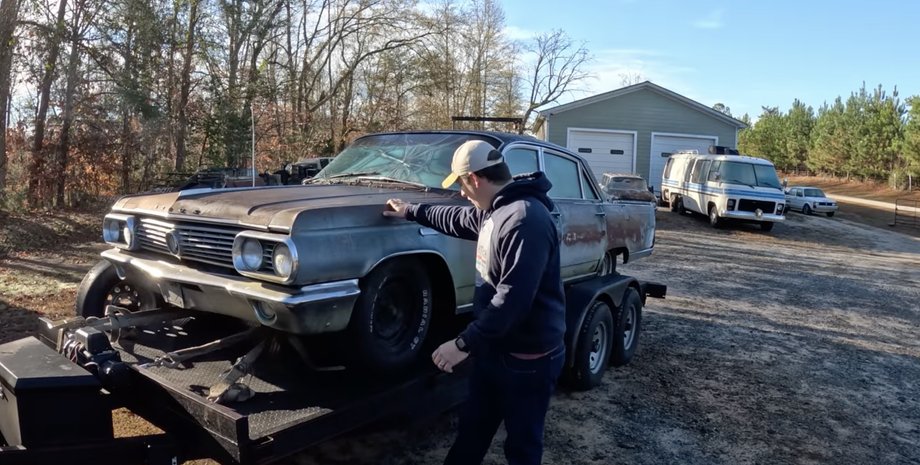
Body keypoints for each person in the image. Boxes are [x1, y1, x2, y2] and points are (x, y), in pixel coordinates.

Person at [382, 140, 566, 465]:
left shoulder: (525, 220)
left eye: (462, 186)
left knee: (522, 447)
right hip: (494, 351)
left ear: (475, 179)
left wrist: (462, 344)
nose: (462, 195)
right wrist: (410, 211)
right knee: (472, 434)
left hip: (527, 361)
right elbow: (456, 218)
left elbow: (512, 301)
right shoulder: (496, 212)